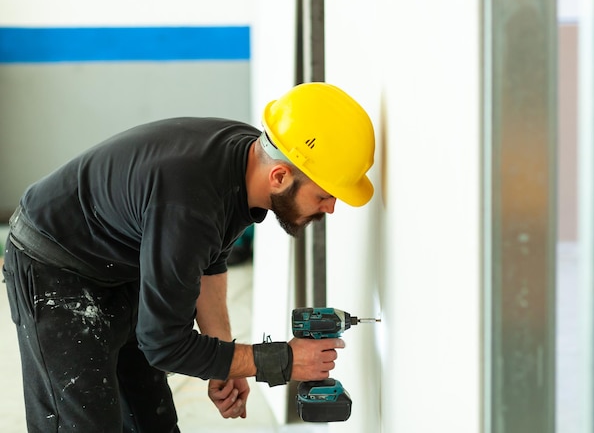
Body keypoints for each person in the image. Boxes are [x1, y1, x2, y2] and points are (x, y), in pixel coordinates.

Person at [2, 82, 375, 432]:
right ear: (279, 176)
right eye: (324, 195)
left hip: (119, 262)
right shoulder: (189, 202)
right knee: (82, 422)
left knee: (152, 419)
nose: (330, 208)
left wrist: (227, 360)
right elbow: (164, 343)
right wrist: (283, 360)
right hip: (53, 265)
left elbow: (210, 260)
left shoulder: (244, 160)